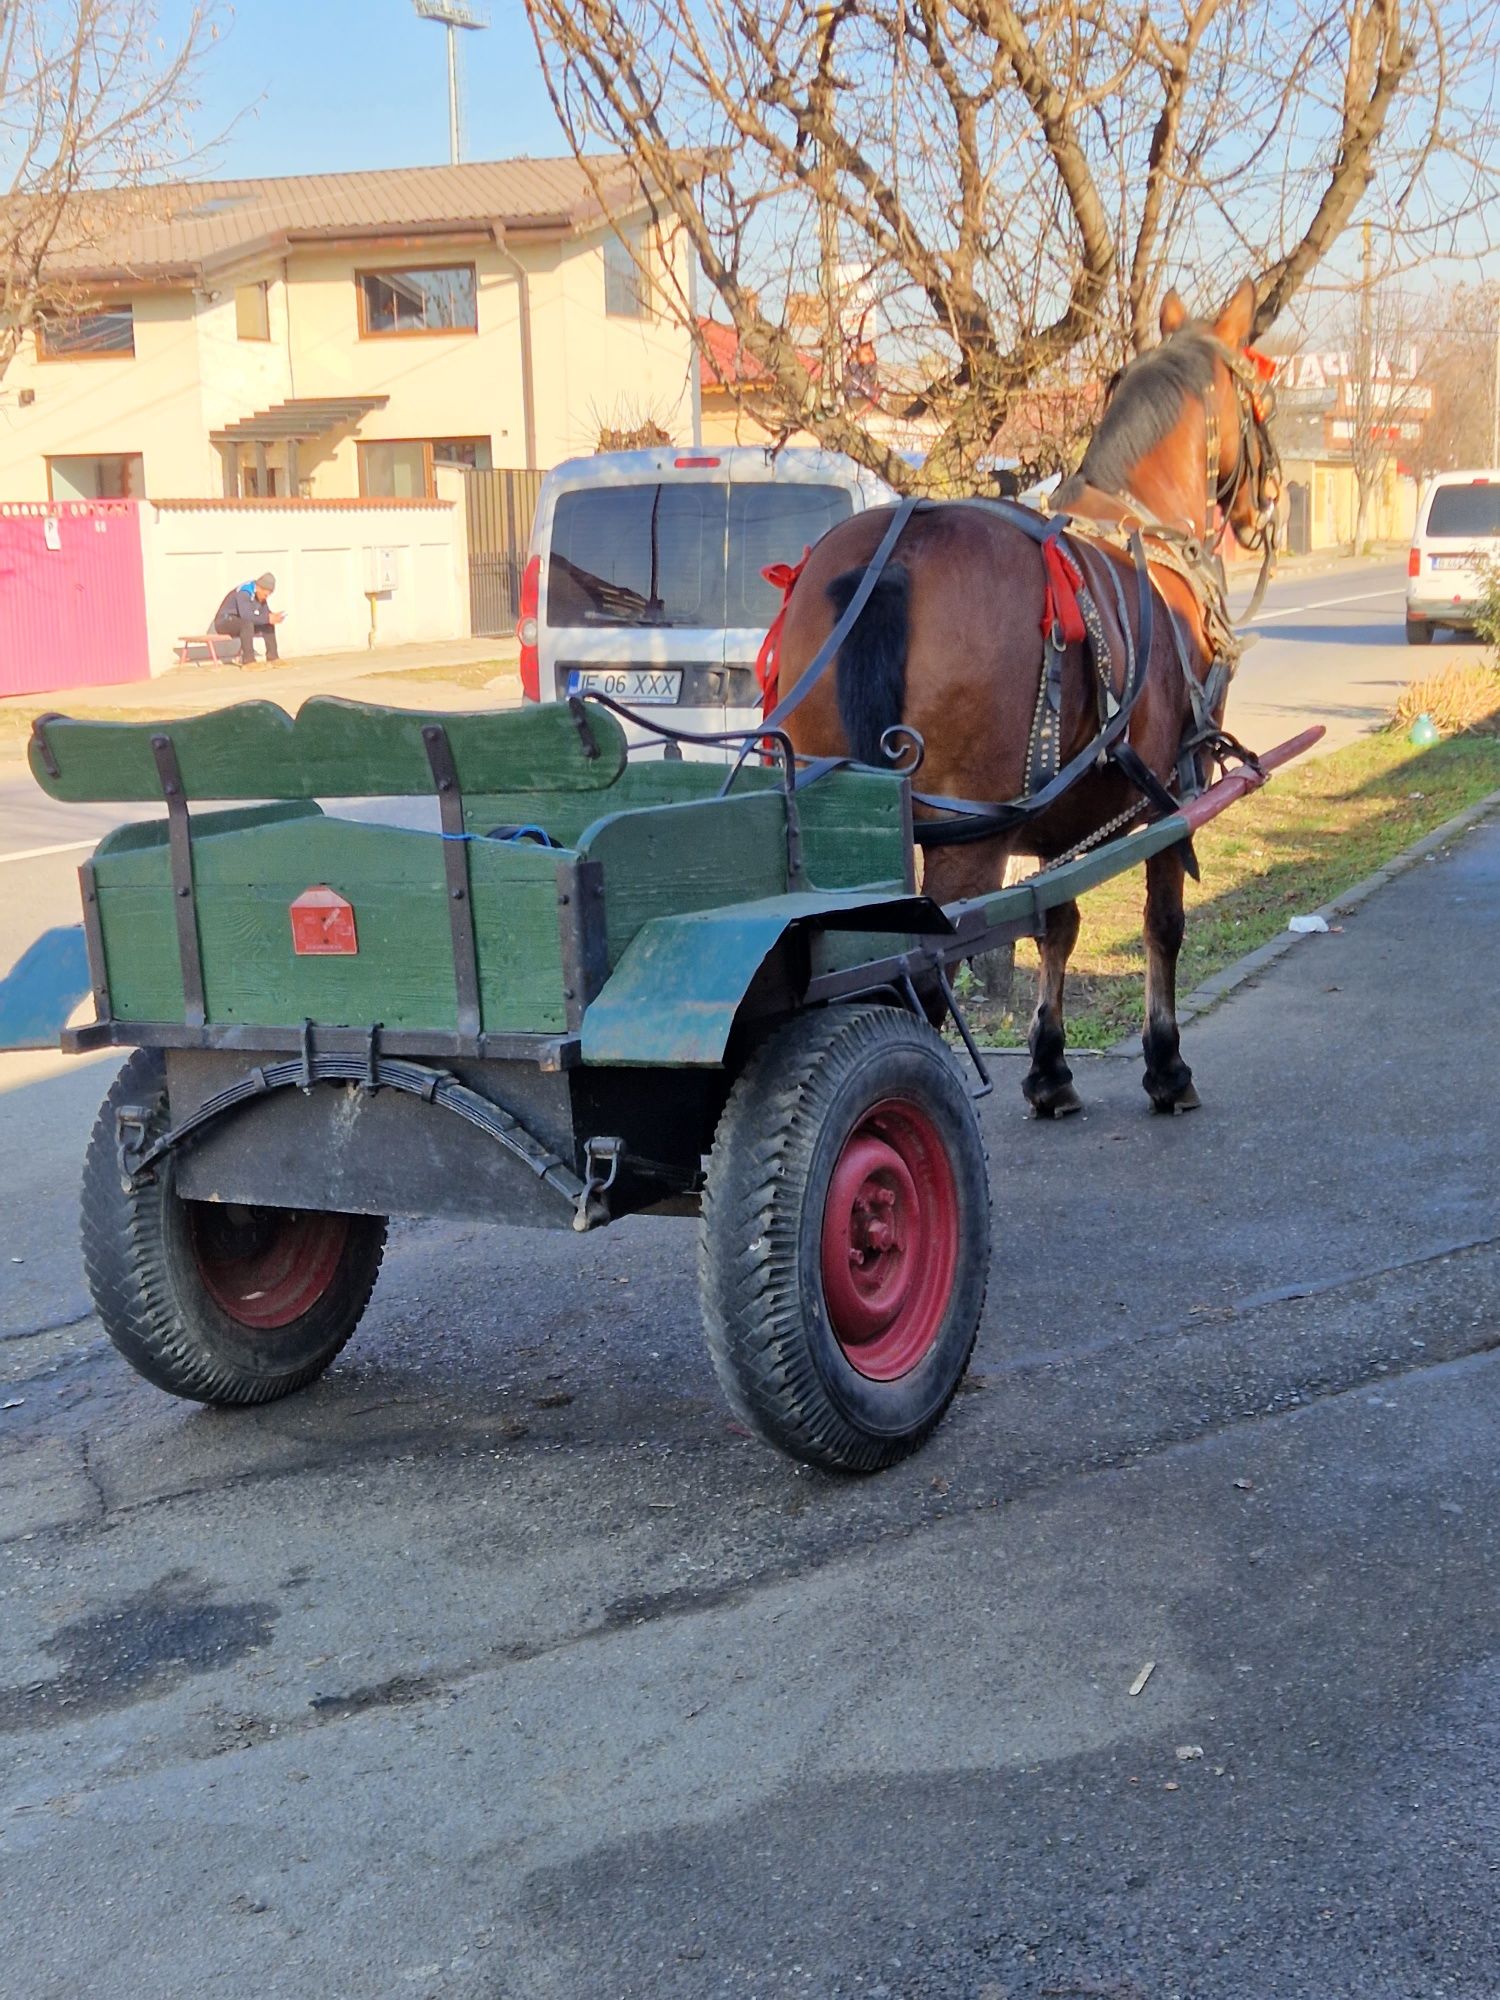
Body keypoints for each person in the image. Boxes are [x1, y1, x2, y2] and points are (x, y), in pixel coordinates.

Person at [213, 572, 285, 664]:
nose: (265, 597)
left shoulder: (259, 595)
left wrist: (273, 616)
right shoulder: (244, 592)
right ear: (259, 588)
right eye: (265, 595)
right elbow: (246, 615)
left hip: (240, 621)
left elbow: (264, 614)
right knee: (247, 624)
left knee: (268, 625)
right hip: (224, 622)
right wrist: (267, 618)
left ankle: (273, 657)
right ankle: (249, 661)